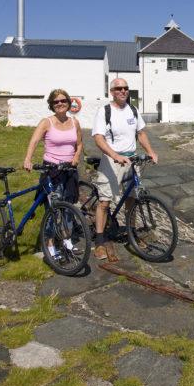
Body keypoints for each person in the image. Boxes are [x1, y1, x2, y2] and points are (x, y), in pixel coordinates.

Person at [91, 78, 158, 261]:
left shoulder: (133, 110)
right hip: (112, 159)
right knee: (105, 202)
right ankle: (99, 241)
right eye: (118, 88)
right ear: (111, 91)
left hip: (132, 160)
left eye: (125, 88)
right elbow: (98, 138)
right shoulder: (104, 111)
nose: (122, 91)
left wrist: (150, 152)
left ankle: (131, 233)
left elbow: (141, 133)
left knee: (132, 199)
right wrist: (114, 155)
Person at [23, 89, 84, 255]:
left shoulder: (74, 122)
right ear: (51, 105)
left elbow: (79, 144)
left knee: (69, 206)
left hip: (69, 169)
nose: (60, 104)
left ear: (68, 102)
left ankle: (66, 240)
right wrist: (28, 159)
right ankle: (50, 244)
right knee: (52, 208)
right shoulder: (46, 122)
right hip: (52, 170)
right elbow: (34, 140)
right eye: (56, 102)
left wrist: (77, 156)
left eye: (63, 100)